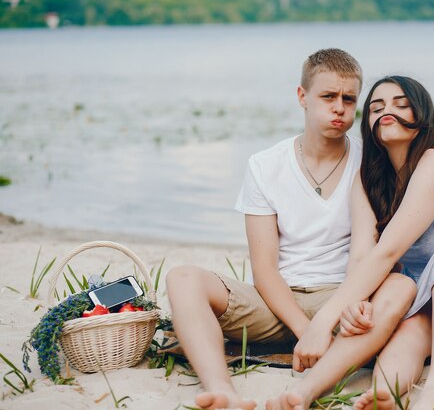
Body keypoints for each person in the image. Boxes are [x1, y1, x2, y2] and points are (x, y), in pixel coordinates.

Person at [266, 76, 434, 410]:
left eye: (400, 103)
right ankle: (355, 394)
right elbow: (363, 256)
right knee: (409, 331)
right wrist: (357, 303)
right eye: (376, 107)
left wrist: (323, 321)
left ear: (421, 113)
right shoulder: (367, 179)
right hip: (431, 303)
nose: (386, 112)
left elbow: (389, 251)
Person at [166, 51, 417, 410]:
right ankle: (222, 391)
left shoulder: (370, 161)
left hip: (339, 299)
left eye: (349, 99)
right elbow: (265, 270)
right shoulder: (265, 165)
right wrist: (306, 330)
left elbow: (367, 251)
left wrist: (341, 313)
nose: (340, 109)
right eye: (328, 97)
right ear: (302, 96)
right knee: (183, 277)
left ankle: (316, 386)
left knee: (401, 285)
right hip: (274, 302)